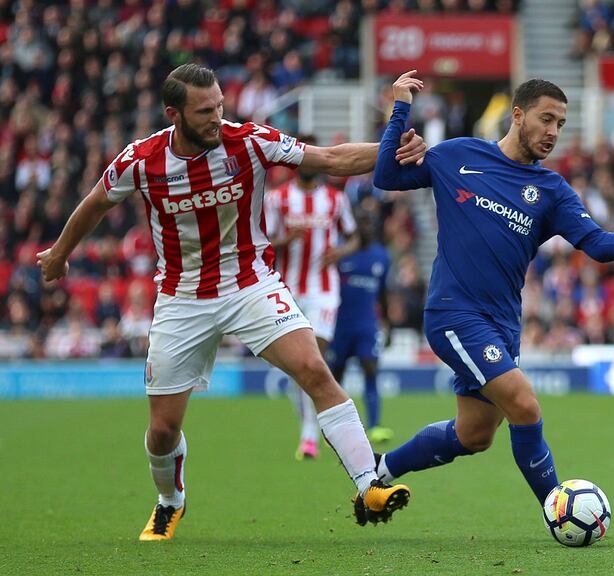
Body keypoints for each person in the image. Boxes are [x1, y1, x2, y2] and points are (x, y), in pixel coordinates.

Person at [36, 63, 427, 540]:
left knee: (315, 370)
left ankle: (369, 484)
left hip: (250, 283)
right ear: (173, 114)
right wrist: (59, 254)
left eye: (220, 105)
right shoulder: (141, 160)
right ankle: (169, 500)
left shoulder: (248, 141)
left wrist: (394, 148)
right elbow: (96, 202)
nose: (216, 118)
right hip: (182, 297)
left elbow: (330, 159)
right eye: (204, 111)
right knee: (162, 431)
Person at [370, 70, 614, 511]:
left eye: (560, 123)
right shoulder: (458, 155)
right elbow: (386, 176)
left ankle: (380, 471)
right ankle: (559, 510)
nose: (553, 132)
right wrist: (400, 107)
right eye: (546, 119)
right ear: (517, 115)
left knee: (475, 435)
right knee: (524, 404)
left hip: (503, 324)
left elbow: (597, 245)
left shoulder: (552, 191)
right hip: (453, 313)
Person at [265, 134, 359, 460]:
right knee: (299, 369)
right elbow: (262, 242)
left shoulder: (335, 199)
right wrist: (285, 238)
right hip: (287, 290)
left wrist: (341, 252)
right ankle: (309, 428)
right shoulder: (277, 199)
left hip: (324, 290)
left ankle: (309, 436)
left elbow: (354, 237)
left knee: (314, 360)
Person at [327, 209, 394, 443]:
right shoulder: (340, 254)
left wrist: (389, 325)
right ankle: (335, 429)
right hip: (339, 325)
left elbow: (383, 293)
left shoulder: (382, 256)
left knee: (370, 369)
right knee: (335, 377)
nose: (366, 227)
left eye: (370, 223)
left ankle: (375, 426)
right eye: (362, 222)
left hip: (367, 325)